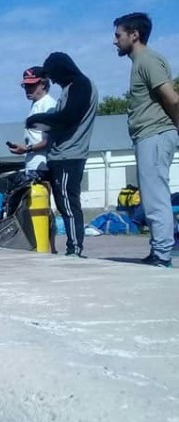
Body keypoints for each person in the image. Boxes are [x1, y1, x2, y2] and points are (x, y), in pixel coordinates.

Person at [114, 12, 179, 268]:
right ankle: (159, 251)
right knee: (153, 196)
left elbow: (172, 98)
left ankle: (162, 255)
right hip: (149, 135)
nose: (114, 41)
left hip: (154, 134)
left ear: (134, 34)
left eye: (118, 35)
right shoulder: (141, 61)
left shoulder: (147, 60)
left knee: (155, 198)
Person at [26, 52, 99, 258]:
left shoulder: (81, 85)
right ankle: (73, 247)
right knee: (63, 202)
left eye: (54, 75)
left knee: (68, 203)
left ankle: (75, 248)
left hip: (70, 155)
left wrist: (39, 119)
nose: (53, 80)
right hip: (61, 155)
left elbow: (67, 118)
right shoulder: (71, 88)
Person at [8, 66, 57, 179]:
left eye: (31, 85)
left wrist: (26, 149)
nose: (27, 89)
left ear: (43, 84)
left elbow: (50, 139)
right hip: (34, 165)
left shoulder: (49, 105)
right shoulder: (36, 104)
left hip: (43, 165)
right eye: (25, 85)